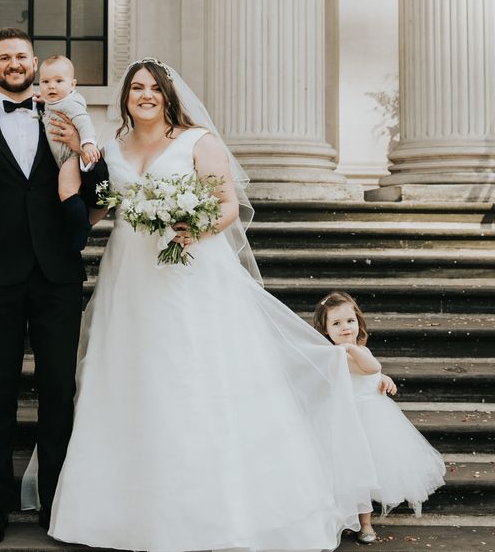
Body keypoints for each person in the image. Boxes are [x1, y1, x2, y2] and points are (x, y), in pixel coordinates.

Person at [48, 58, 378, 552]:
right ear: (125, 96)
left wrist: (190, 231)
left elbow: (226, 206)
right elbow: (99, 211)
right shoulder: (112, 146)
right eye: (136, 88)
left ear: (168, 95)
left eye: (153, 89)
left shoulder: (197, 141)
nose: (144, 95)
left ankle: (216, 511)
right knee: (126, 376)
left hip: (188, 274)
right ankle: (118, 514)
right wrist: (76, 160)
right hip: (129, 277)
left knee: (193, 374)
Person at [0, 28, 105, 545]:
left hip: (56, 276)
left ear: (35, 64)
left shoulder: (66, 114)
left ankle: (57, 503)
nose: (14, 63)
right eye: (4, 57)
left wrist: (83, 153)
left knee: (58, 391)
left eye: (21, 56)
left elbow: (102, 192)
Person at [314, 291, 446, 544]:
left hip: (372, 420)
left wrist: (383, 378)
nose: (345, 328)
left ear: (358, 322)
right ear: (325, 330)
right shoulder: (333, 355)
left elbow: (372, 370)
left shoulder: (359, 349)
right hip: (345, 422)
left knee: (366, 471)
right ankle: (348, 519)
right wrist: (359, 357)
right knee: (348, 472)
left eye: (350, 321)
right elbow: (368, 367)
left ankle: (364, 523)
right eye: (336, 324)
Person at [37, 54, 101, 251]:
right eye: (45, 82)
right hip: (62, 157)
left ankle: (82, 227)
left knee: (67, 192)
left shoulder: (71, 103)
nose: (51, 87)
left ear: (72, 85)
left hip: (71, 157)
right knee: (69, 193)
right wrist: (42, 101)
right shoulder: (53, 101)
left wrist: (88, 144)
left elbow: (83, 122)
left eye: (58, 81)